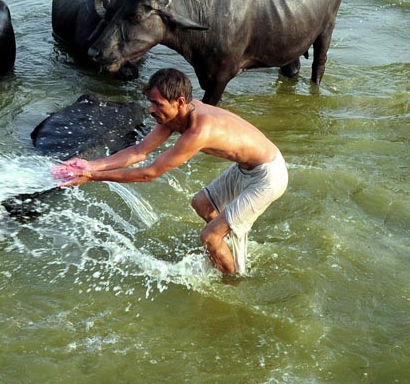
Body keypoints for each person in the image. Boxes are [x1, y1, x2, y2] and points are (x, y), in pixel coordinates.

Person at [53, 68, 288, 275]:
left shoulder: (200, 130)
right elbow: (139, 151)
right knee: (202, 204)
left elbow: (150, 173)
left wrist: (92, 177)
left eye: (158, 104)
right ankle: (228, 244)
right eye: (151, 102)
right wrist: (89, 165)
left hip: (268, 175)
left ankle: (233, 283)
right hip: (245, 168)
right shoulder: (175, 116)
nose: (151, 109)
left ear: (180, 101)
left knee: (209, 237)